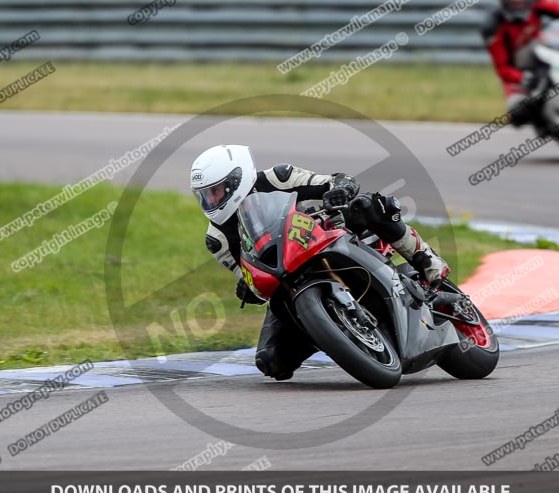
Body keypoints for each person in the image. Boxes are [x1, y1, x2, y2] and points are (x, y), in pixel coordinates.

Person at [190, 144, 449, 380]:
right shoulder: (218, 239)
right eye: (205, 195)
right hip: (287, 277)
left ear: (238, 179)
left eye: (216, 192)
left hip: (324, 233)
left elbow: (339, 180)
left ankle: (425, 258)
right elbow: (249, 275)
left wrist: (340, 190)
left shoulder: (278, 177)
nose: (211, 201)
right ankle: (330, 330)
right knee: (271, 361)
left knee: (366, 205)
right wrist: (248, 287)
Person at [482, 0, 559, 126]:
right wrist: (523, 78)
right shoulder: (494, 26)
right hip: (520, 77)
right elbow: (502, 68)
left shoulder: (538, 4)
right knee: (518, 114)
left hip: (548, 60)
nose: (518, 3)